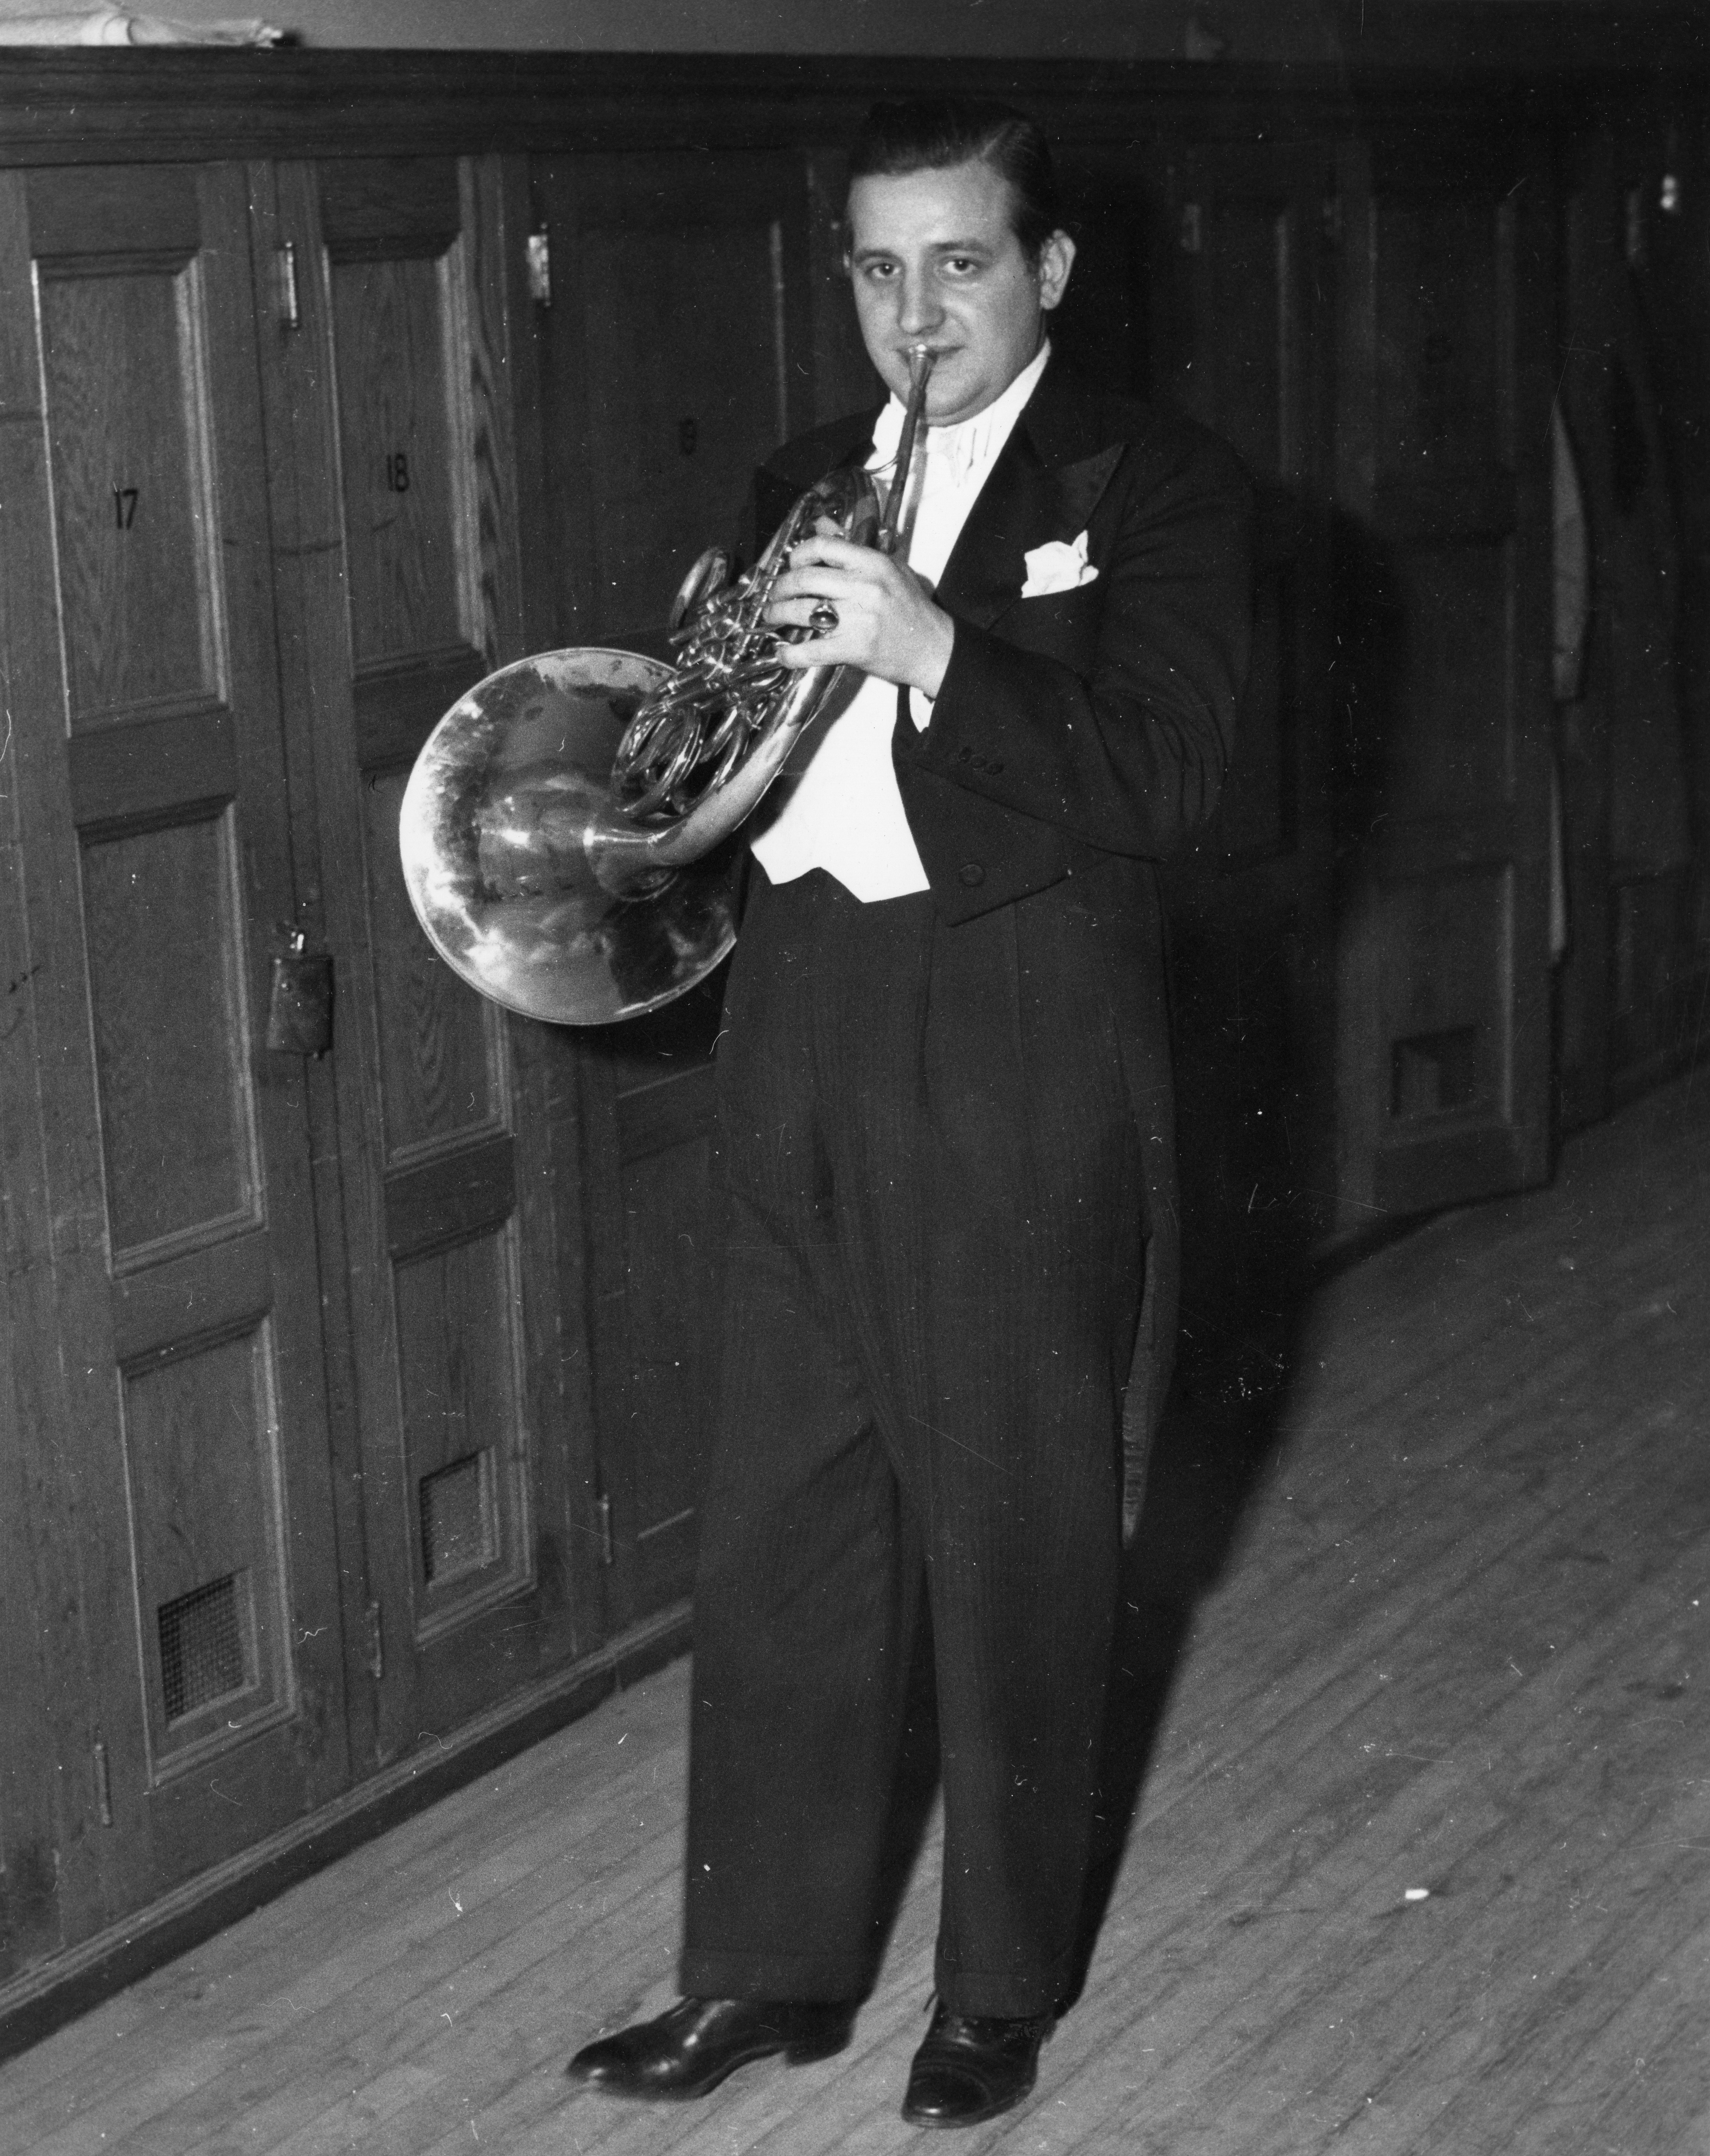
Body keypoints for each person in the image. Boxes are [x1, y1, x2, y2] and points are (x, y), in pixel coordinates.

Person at [568, 97, 1253, 2129]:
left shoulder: (1156, 483)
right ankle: (763, 1969)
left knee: (1018, 1520)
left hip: (1020, 1024)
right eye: (876, 267)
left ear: (1044, 270)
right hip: (804, 1011)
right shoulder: (802, 478)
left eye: (957, 260)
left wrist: (933, 644)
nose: (912, 308)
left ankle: (1000, 1984)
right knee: (784, 1511)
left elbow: (1184, 780)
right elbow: (718, 764)